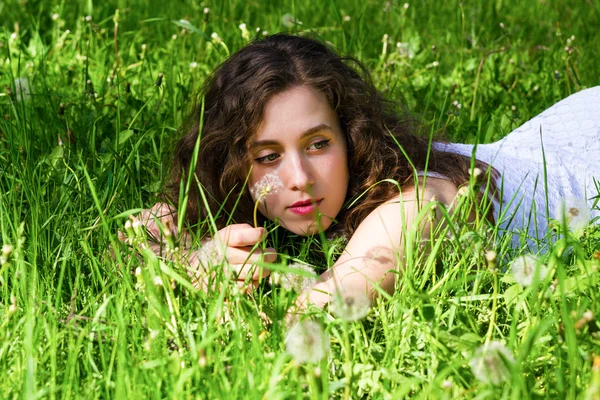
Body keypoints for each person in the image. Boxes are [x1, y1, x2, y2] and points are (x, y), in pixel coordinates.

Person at [123, 34, 600, 310]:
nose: (299, 177)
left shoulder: (421, 202)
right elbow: (138, 233)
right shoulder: (243, 192)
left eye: (318, 144)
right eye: (268, 156)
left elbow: (323, 310)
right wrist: (193, 257)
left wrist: (201, 281)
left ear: (353, 138)